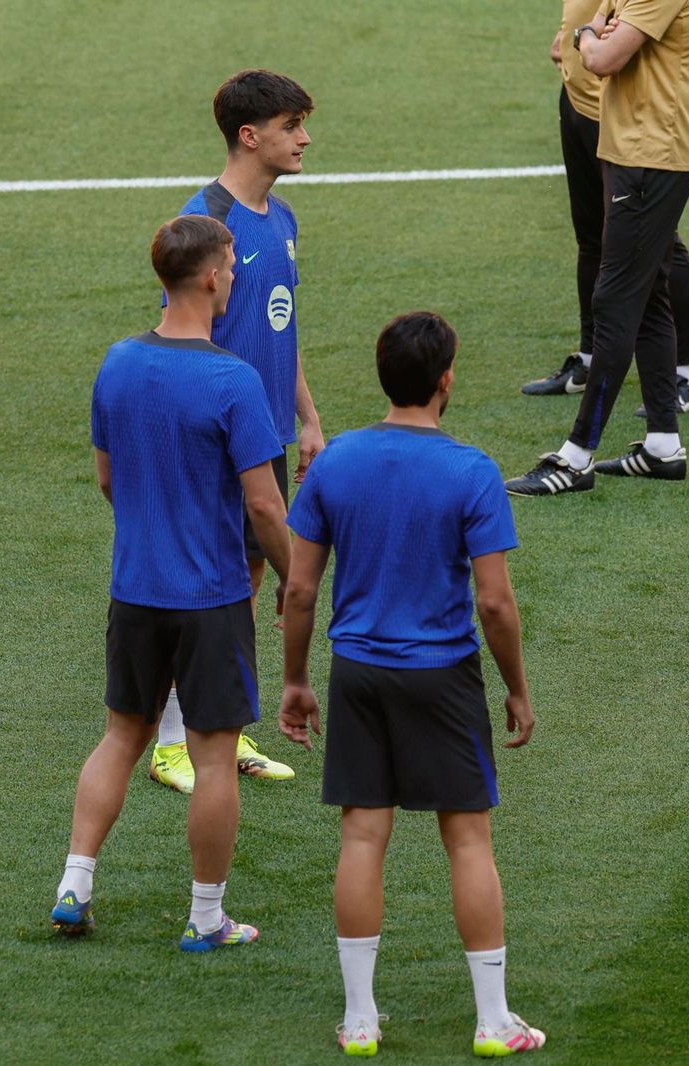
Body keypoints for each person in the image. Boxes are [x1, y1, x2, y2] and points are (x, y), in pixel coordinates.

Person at [278, 312, 544, 1057]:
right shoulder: (471, 471)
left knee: (363, 835)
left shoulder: (335, 462)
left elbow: (299, 591)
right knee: (468, 840)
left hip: (358, 674)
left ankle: (360, 1019)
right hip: (443, 677)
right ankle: (493, 1021)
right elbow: (495, 603)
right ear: (446, 379)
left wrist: (296, 679)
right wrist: (516, 687)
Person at [51, 214, 290, 952]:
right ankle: (207, 918)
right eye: (231, 265)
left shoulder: (118, 362)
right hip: (212, 598)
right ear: (213, 276)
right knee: (215, 756)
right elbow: (263, 505)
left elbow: (107, 478)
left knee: (121, 736)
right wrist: (295, 577)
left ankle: (74, 885)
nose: (235, 276)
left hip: (135, 591)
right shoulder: (233, 379)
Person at [149, 68, 322, 792]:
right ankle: (168, 744)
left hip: (263, 436)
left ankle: (216, 726)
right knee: (199, 588)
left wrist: (307, 419)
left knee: (241, 587)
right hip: (212, 440)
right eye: (291, 127)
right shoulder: (206, 225)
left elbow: (280, 327)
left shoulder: (281, 219)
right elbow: (181, 340)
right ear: (250, 136)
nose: (305, 139)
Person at [506, 0, 689, 496]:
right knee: (649, 296)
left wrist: (586, 37)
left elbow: (602, 57)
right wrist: (595, 34)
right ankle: (663, 445)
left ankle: (576, 457)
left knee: (615, 298)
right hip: (634, 145)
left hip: (652, 152)